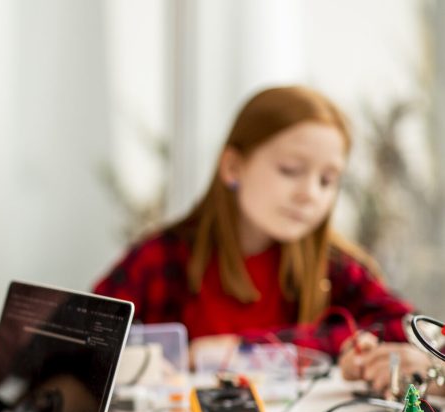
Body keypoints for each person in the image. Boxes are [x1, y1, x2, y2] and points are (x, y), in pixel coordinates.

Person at [92, 86, 429, 393]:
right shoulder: (162, 258)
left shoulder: (333, 266)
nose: (309, 194)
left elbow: (414, 333)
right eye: (290, 170)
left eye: (327, 180)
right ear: (233, 167)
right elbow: (80, 336)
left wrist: (243, 349)